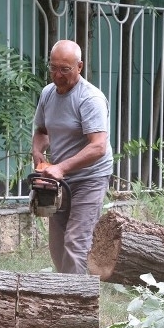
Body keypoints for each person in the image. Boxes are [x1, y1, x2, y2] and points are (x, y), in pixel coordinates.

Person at [31, 39, 113, 274]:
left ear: (80, 66)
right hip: (59, 179)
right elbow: (42, 131)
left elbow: (98, 147)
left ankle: (78, 303)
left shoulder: (90, 99)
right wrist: (38, 152)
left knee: (76, 242)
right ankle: (63, 295)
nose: (57, 75)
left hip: (90, 178)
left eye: (65, 69)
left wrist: (61, 168)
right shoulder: (48, 93)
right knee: (57, 245)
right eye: (53, 68)